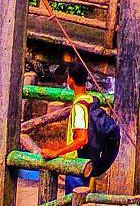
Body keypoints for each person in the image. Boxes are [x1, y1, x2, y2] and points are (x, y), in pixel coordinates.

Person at [43, 60, 94, 194]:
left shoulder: (79, 107)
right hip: (85, 161)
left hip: (75, 165)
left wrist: (57, 152)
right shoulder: (90, 100)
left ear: (70, 80)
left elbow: (82, 138)